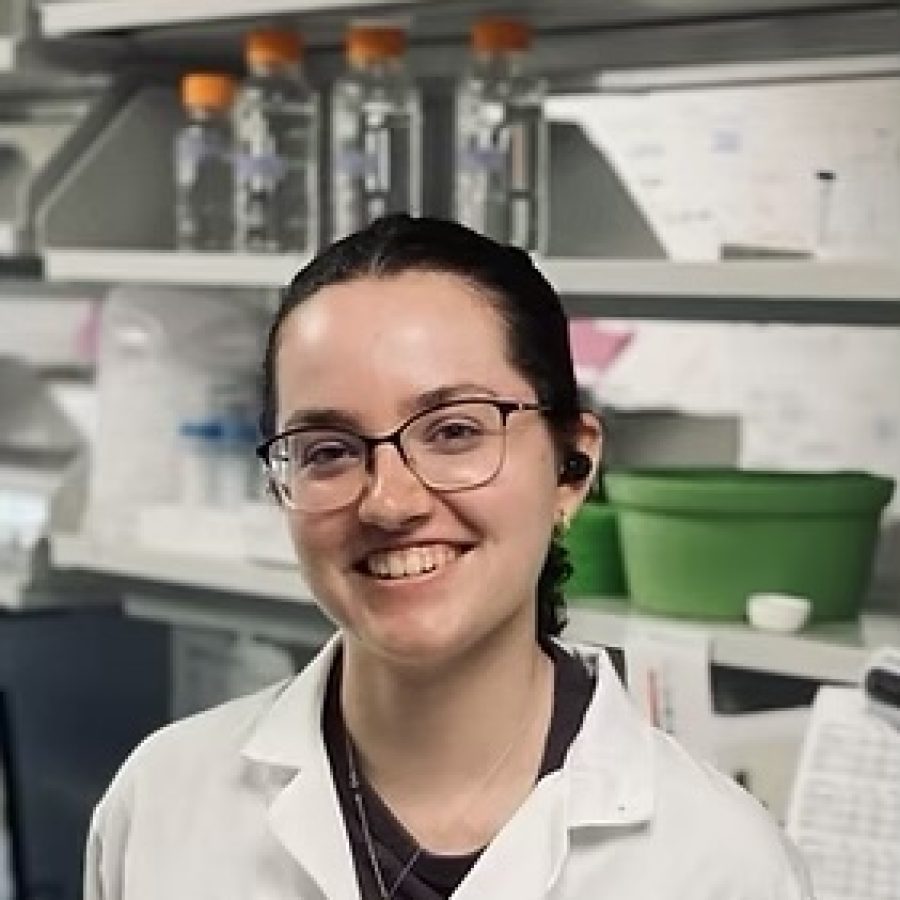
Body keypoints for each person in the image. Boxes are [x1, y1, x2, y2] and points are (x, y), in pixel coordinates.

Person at [85, 215, 812, 899]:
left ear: (572, 467)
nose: (389, 502)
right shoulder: (162, 804)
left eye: (456, 431)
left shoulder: (717, 864)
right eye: (329, 451)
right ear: (280, 488)